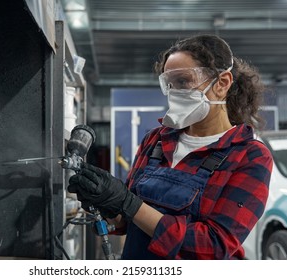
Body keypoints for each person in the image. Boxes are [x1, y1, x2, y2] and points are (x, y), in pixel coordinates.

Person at [68, 34, 273, 260]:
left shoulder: (249, 155)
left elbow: (214, 246)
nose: (175, 92)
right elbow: (129, 222)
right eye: (170, 84)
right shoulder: (156, 140)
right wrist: (108, 204)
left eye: (184, 81)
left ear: (222, 83)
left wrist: (129, 204)